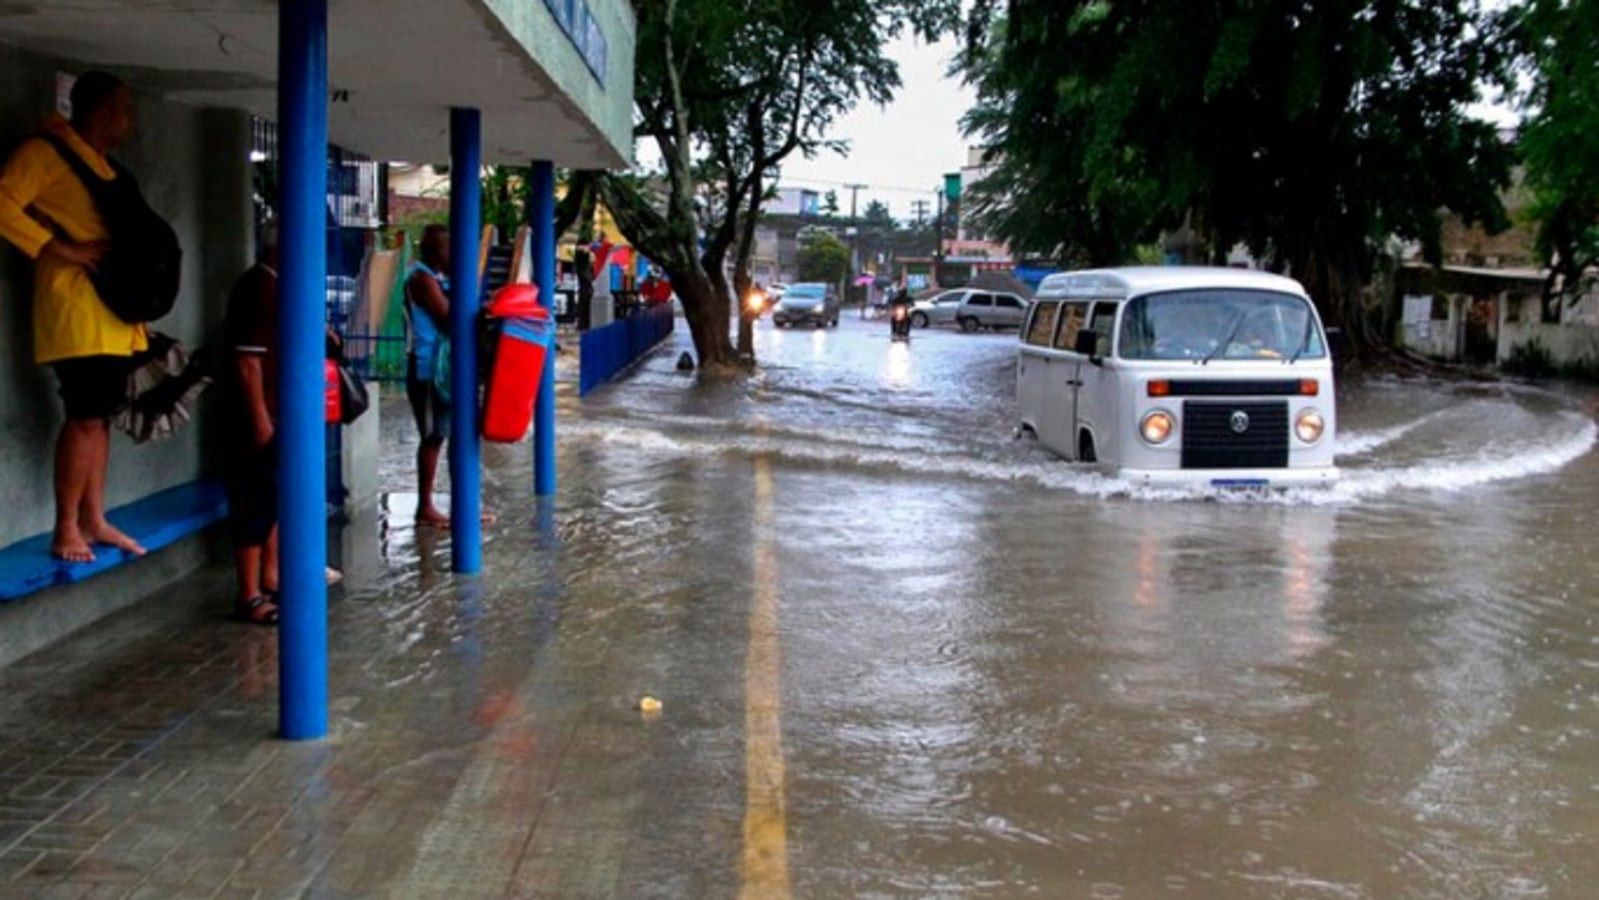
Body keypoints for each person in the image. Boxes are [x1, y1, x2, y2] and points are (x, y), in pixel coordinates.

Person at [0, 71, 146, 563]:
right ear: (102, 111)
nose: (128, 120)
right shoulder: (44, 152)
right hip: (76, 307)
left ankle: (94, 518)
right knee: (83, 417)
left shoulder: (100, 164)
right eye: (124, 110)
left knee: (100, 419)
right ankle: (65, 526)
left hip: (112, 312)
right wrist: (54, 247)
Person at [222, 225, 343, 625]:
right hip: (261, 414)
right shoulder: (259, 288)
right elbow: (247, 361)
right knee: (254, 500)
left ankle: (272, 577)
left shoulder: (279, 289)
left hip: (281, 411)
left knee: (272, 497)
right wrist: (260, 420)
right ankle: (249, 593)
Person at [404, 225, 454, 528]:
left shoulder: (434, 278)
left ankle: (439, 503)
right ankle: (425, 505)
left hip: (439, 368)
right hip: (426, 369)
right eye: (450, 249)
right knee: (433, 435)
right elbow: (448, 317)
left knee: (441, 433)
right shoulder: (422, 279)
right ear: (438, 251)